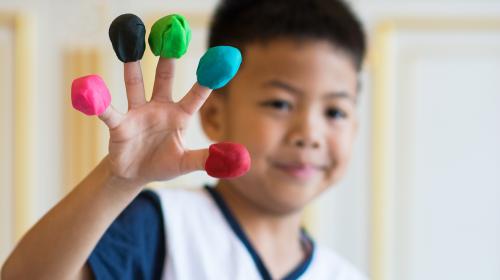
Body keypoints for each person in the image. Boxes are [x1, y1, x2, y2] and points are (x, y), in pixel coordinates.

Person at [1, 0, 367, 279]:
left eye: (335, 112)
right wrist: (116, 181)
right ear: (214, 115)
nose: (309, 134)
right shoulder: (158, 226)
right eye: (280, 103)